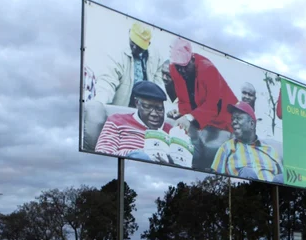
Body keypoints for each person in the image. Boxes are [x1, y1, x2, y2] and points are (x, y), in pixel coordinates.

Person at [167, 37, 238, 170]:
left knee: (212, 153)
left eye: (185, 66)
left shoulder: (208, 69)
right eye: (178, 67)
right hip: (200, 122)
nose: (182, 71)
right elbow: (183, 100)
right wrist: (183, 116)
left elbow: (213, 104)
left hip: (223, 120)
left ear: (192, 59)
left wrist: (189, 118)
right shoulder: (175, 69)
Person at [95, 81, 172, 158]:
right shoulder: (117, 121)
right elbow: (103, 155)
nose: (154, 114)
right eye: (147, 107)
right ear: (137, 103)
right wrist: (136, 154)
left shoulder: (171, 130)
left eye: (159, 109)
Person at [211, 101, 283, 182]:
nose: (233, 122)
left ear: (252, 124)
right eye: (233, 119)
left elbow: (285, 180)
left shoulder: (270, 150)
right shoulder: (226, 148)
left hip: (271, 192)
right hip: (243, 192)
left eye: (238, 118)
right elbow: (216, 178)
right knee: (247, 172)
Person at [96, 22, 164, 107]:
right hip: (122, 109)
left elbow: (159, 85)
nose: (135, 48)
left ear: (148, 45)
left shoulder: (155, 56)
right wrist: (100, 102)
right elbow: (107, 81)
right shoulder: (117, 53)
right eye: (132, 43)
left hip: (144, 110)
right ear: (129, 33)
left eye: (139, 46)